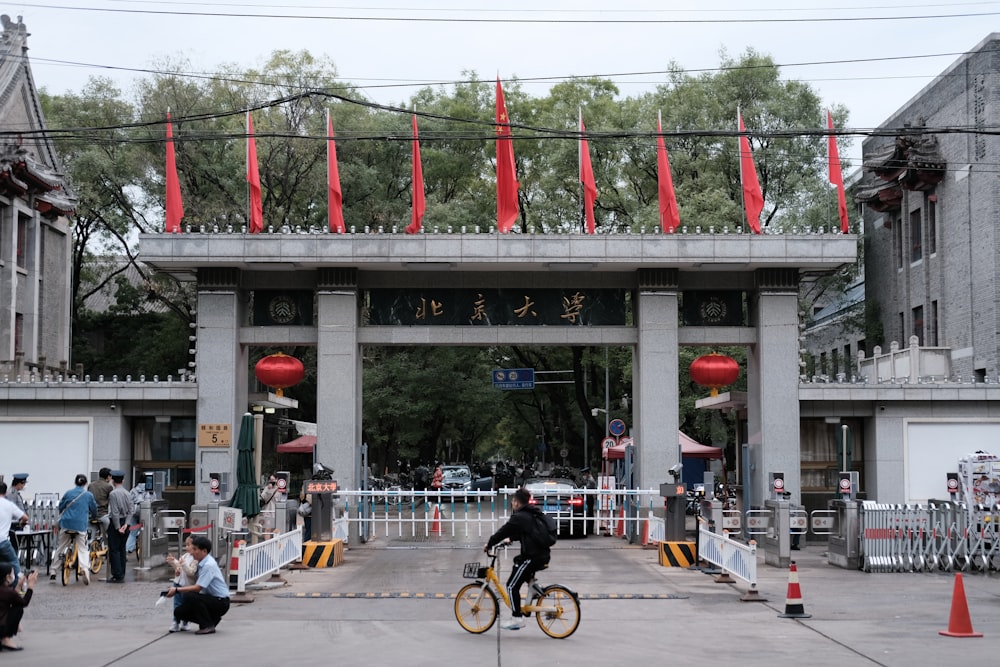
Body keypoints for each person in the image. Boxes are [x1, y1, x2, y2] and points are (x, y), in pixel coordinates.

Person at [484, 487, 553, 630]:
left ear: (516, 502)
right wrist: (512, 538)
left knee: (511, 585)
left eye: (513, 501)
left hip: (532, 557)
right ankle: (533, 588)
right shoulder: (531, 513)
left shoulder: (520, 517)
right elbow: (527, 532)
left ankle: (517, 618)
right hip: (541, 555)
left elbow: (503, 531)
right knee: (517, 563)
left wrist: (490, 543)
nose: (512, 504)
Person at [166, 535, 230, 635]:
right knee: (179, 612)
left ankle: (207, 625)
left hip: (220, 601)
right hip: (209, 599)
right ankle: (212, 619)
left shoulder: (208, 565)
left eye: (195, 549)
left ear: (204, 551)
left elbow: (198, 587)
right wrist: (177, 568)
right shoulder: (200, 562)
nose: (192, 551)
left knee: (190, 595)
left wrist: (177, 590)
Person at [55, 474, 98, 585]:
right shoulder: (88, 495)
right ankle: (84, 568)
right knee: (83, 548)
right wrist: (94, 516)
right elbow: (94, 509)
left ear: (75, 482)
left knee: (61, 546)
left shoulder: (69, 493)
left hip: (66, 523)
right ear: (85, 483)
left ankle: (53, 569)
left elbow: (61, 506)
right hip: (80, 525)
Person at [165, 537, 198, 632]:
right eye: (186, 545)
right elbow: (178, 566)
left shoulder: (196, 560)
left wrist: (183, 565)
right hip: (178, 583)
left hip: (188, 586)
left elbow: (191, 572)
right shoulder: (185, 556)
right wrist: (173, 562)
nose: (187, 547)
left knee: (187, 604)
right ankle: (175, 621)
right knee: (177, 604)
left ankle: (186, 621)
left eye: (189, 545)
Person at [0, 564, 36, 651]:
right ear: (8, 577)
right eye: (12, 573)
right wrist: (30, 586)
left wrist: (19, 586)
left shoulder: (5, 590)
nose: (14, 575)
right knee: (18, 609)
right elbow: (24, 602)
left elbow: (10, 598)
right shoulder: (7, 591)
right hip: (1, 627)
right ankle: (5, 639)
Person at [106, 470, 134, 583]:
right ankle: (122, 572)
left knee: (114, 550)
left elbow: (115, 512)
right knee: (122, 549)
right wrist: (126, 524)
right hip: (125, 522)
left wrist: (118, 527)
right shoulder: (127, 493)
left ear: (113, 480)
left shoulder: (113, 494)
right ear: (123, 480)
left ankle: (117, 574)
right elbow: (131, 510)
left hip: (116, 523)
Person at [0, 484, 28, 586]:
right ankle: (17, 587)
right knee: (14, 563)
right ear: (5, 492)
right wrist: (21, 523)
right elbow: (25, 517)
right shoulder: (9, 504)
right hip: (3, 541)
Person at [126, 482, 154, 553]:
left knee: (132, 532)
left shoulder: (134, 490)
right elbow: (153, 500)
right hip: (146, 511)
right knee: (147, 530)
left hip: (135, 511)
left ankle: (128, 548)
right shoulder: (150, 490)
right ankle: (147, 549)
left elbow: (129, 501)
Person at [87, 468, 113, 542]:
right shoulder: (108, 487)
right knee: (109, 535)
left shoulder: (91, 485)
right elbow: (111, 501)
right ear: (108, 477)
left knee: (90, 537)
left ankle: (90, 547)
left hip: (91, 516)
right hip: (103, 515)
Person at [255, 474, 280, 538]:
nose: (271, 481)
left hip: (275, 511)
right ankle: (267, 545)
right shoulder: (267, 488)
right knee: (267, 529)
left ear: (276, 480)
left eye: (273, 480)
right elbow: (263, 498)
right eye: (270, 480)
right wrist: (268, 490)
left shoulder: (279, 489)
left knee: (275, 530)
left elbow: (277, 499)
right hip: (267, 511)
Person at [579, 467, 597, 535]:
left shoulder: (591, 480)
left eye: (584, 474)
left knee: (590, 513)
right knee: (589, 513)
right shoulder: (588, 479)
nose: (583, 475)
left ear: (587, 473)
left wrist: (581, 488)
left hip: (590, 498)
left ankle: (590, 530)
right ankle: (589, 528)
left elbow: (586, 488)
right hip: (588, 498)